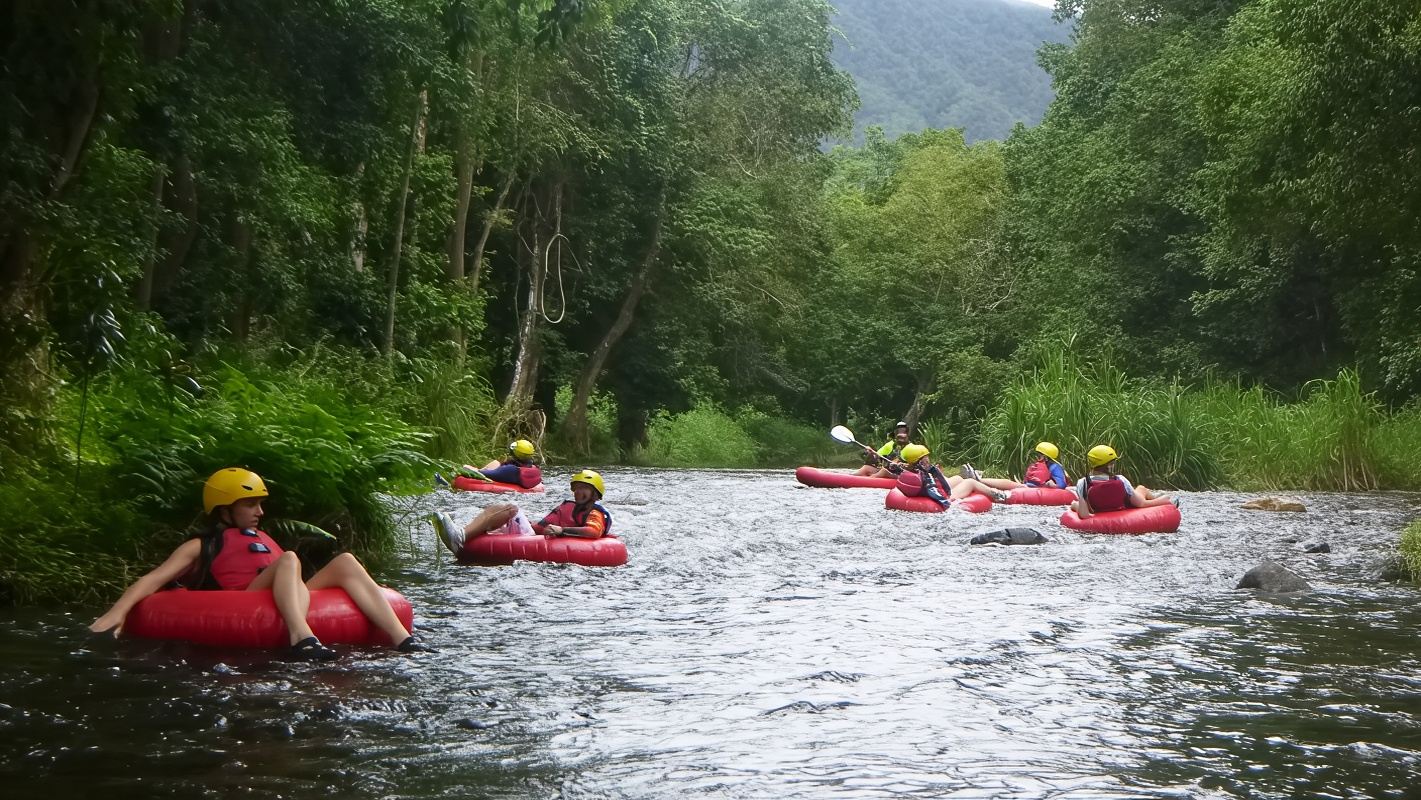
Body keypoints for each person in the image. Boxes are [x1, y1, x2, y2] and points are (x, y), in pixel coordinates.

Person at [90, 468, 431, 660]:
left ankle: (403, 639)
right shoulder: (200, 545)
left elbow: (286, 575)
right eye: (250, 504)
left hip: (283, 595)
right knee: (290, 558)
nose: (260, 511)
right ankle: (302, 637)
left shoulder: (261, 537)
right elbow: (154, 579)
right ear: (224, 510)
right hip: (245, 600)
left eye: (259, 504)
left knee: (345, 560)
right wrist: (116, 614)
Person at [435, 469, 612, 554]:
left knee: (512, 508)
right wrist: (516, 524)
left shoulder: (595, 513)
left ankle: (460, 536)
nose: (579, 492)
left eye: (584, 489)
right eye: (577, 488)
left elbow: (592, 532)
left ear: (595, 494)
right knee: (506, 510)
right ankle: (463, 534)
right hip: (535, 538)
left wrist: (561, 531)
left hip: (570, 544)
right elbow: (539, 528)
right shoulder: (566, 507)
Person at [1071, 445, 1179, 519]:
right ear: (1109, 464)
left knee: (1141, 489)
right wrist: (1163, 501)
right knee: (1141, 488)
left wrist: (1075, 505)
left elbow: (1084, 515)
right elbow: (1140, 504)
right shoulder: (1120, 479)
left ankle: (1154, 495)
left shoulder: (1082, 483)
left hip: (1099, 510)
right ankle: (1162, 498)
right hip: (1123, 507)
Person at [890, 444, 1011, 509]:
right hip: (943, 497)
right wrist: (946, 502)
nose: (928, 459)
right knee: (970, 482)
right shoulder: (925, 475)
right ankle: (999, 496)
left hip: (932, 490)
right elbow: (932, 489)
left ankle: (979, 482)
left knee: (958, 478)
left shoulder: (910, 469)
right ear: (920, 460)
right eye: (926, 457)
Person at [960, 441, 1070, 491]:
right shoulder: (1042, 465)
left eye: (1039, 454)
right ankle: (978, 479)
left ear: (1046, 456)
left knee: (1012, 484)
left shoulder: (1055, 467)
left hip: (1036, 490)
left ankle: (978, 479)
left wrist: (1052, 485)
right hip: (1030, 488)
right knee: (1014, 485)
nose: (1037, 456)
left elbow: (1062, 484)